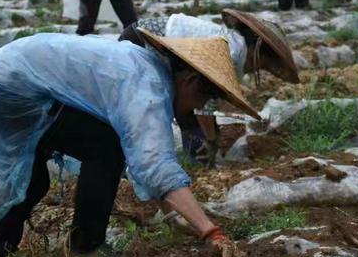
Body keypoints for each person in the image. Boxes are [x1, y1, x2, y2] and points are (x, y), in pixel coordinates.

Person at [0, 31, 258, 257]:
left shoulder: (147, 67)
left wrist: (175, 215)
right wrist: (211, 231)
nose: (195, 109)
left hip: (7, 72)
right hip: (12, 86)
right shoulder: (148, 86)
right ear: (190, 80)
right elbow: (155, 165)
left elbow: (147, 155)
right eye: (201, 98)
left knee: (33, 182)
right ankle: (85, 247)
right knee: (106, 146)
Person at [119, 9, 299, 164]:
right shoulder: (232, 53)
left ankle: (194, 162)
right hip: (144, 42)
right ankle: (138, 163)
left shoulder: (233, 45)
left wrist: (212, 134)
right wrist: (211, 139)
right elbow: (204, 104)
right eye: (261, 65)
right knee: (149, 108)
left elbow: (205, 99)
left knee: (187, 110)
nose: (257, 70)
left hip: (159, 47)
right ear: (256, 52)